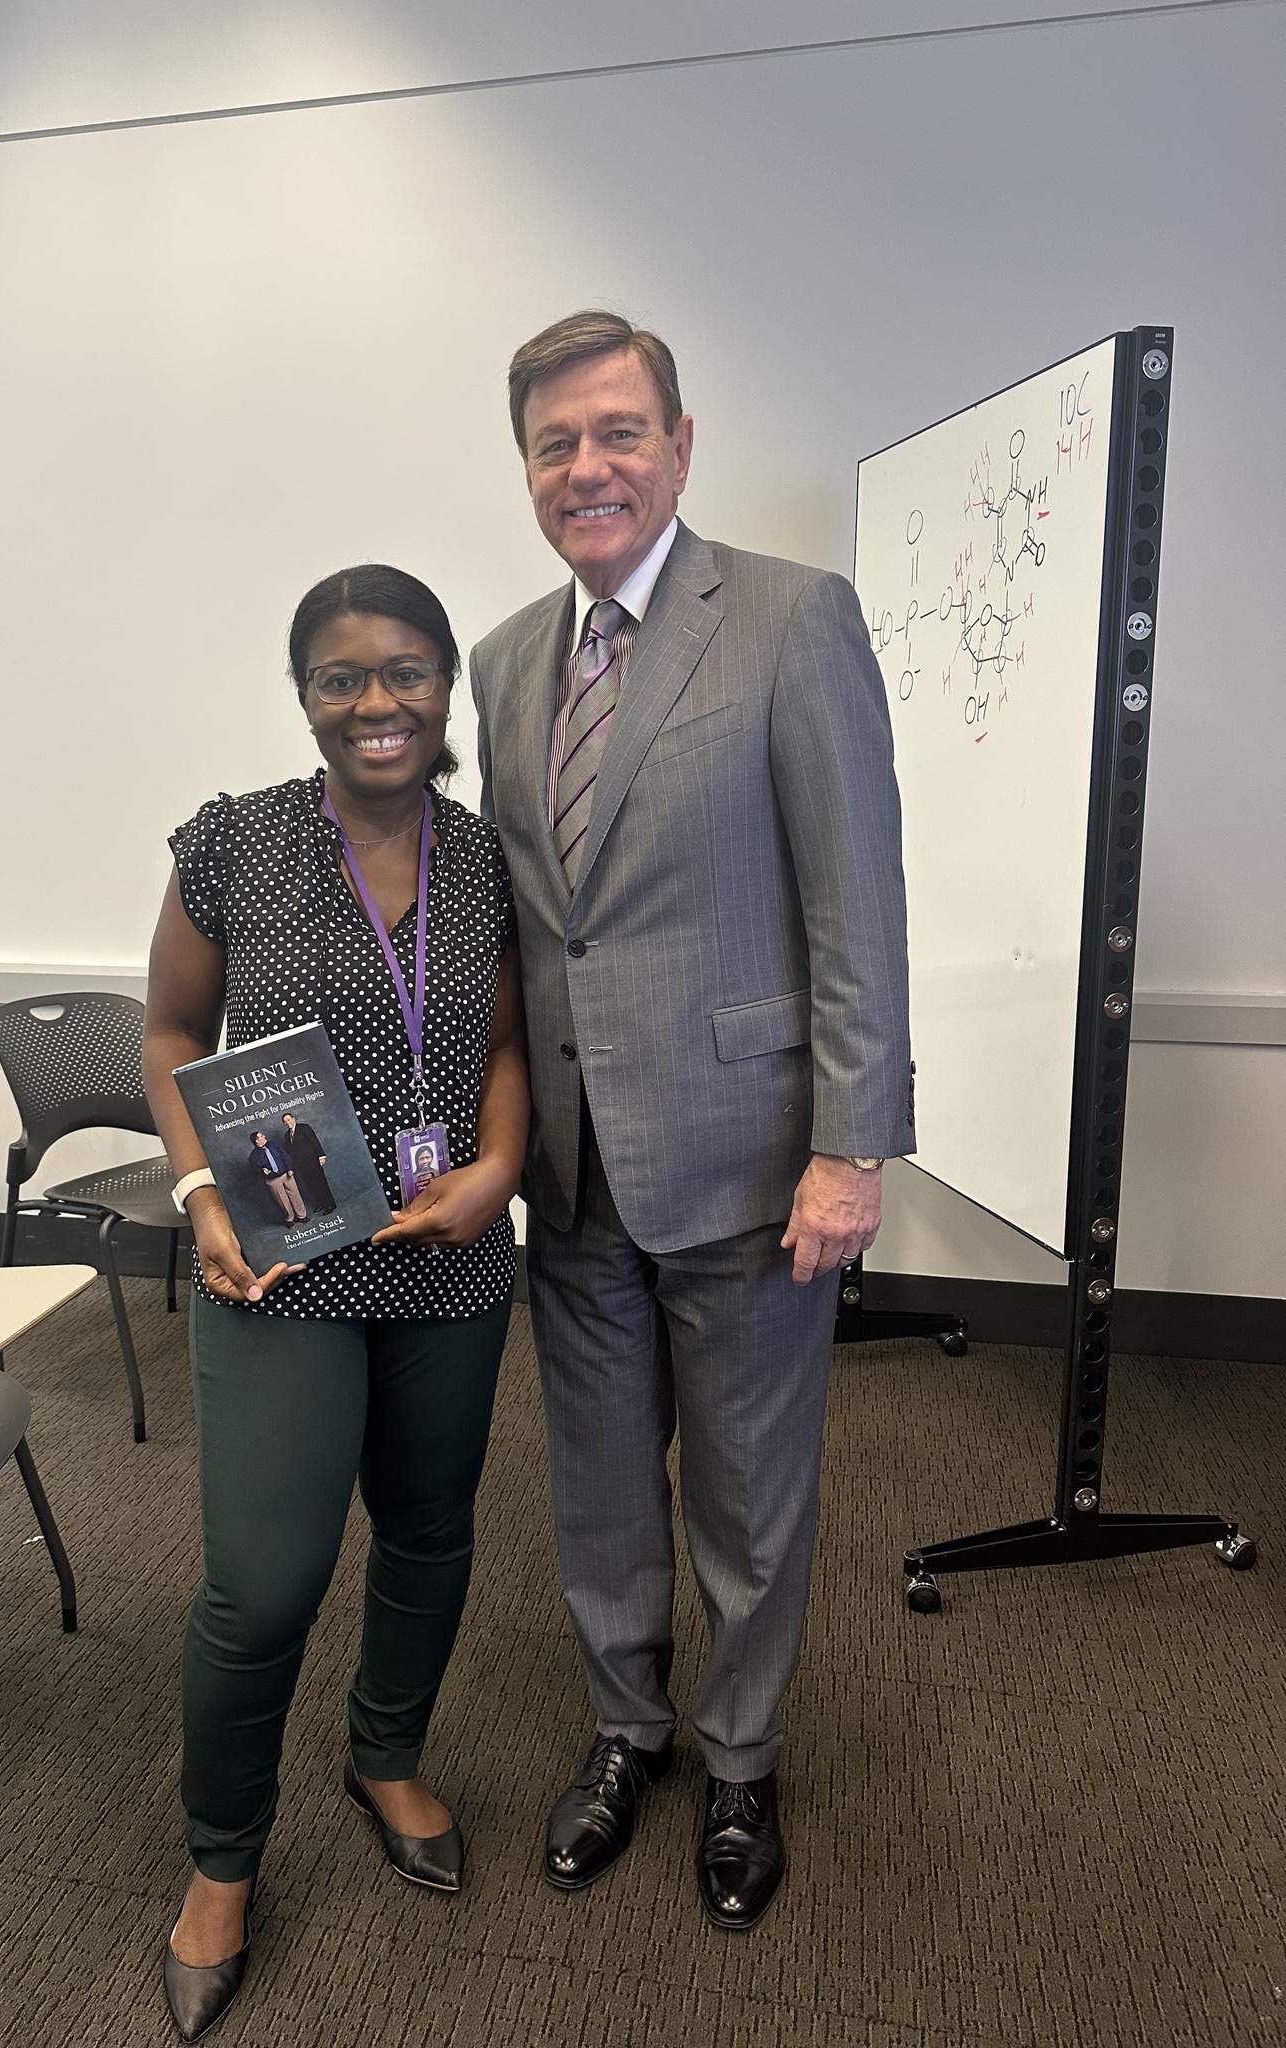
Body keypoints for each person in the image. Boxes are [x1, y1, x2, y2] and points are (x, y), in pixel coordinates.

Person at [468, 312, 912, 1931]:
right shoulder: (508, 658)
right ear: (525, 468)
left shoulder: (792, 622)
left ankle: (739, 1753)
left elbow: (856, 899)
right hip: (572, 1175)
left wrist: (853, 1141)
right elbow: (533, 926)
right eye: (554, 443)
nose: (587, 466)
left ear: (679, 438)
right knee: (595, 1485)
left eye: (616, 432)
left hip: (748, 1157)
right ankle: (624, 1730)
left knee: (747, 1487)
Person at [143, 563, 529, 2041]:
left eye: (408, 672)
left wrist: (501, 1166)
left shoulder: (489, 857)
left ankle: (386, 1753)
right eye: (342, 679)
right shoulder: (233, 845)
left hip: (447, 1254)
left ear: (445, 689)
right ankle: (223, 1863)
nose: (378, 704)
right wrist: (195, 1198)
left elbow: (506, 1043)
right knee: (263, 1585)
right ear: (304, 696)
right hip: (284, 1260)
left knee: (432, 1527)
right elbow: (173, 1026)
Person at [281, 1110, 336, 1213]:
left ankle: (330, 1204)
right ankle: (322, 1204)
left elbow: (314, 1141)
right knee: (312, 1185)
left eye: (289, 1120)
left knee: (321, 1183)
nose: (288, 1123)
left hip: (313, 1162)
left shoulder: (304, 1128)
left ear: (293, 1119)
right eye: (285, 1122)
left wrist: (321, 1156)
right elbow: (288, 1151)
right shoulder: (286, 1135)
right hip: (301, 1165)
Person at [247, 1128, 306, 1222]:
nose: (264, 1136)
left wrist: (290, 1168)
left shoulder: (273, 1145)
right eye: (261, 1136)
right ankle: (290, 1219)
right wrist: (262, 1170)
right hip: (273, 1180)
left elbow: (285, 1156)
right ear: (257, 1141)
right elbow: (253, 1169)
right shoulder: (254, 1156)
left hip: (286, 1174)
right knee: (282, 1200)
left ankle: (302, 1216)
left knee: (295, 1195)